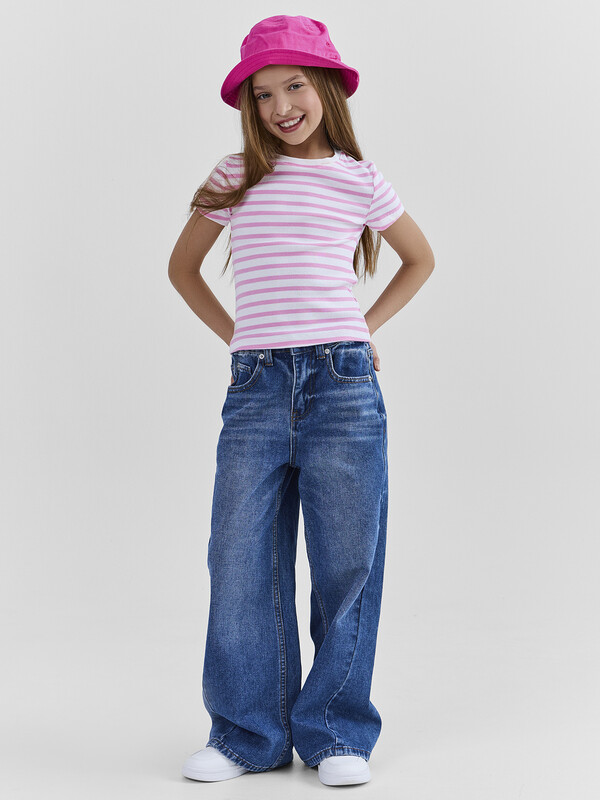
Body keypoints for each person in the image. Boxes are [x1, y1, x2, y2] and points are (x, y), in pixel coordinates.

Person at [168, 14, 435, 787]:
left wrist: (365, 327)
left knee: (348, 562)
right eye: (262, 94)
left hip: (343, 385)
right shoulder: (234, 176)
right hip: (256, 387)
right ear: (248, 107)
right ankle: (247, 734)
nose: (281, 105)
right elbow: (181, 270)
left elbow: (420, 259)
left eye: (294, 86)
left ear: (326, 89)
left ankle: (336, 730)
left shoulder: (359, 178)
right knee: (239, 558)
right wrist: (239, 339)